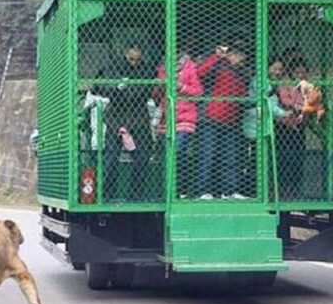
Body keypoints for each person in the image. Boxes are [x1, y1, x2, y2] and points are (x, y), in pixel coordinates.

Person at [95, 46, 153, 201]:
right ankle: (108, 194)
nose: (134, 63)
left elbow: (147, 90)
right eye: (131, 59)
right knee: (111, 157)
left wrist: (128, 89)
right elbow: (97, 86)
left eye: (138, 60)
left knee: (142, 156)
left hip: (138, 116)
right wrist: (116, 88)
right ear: (126, 54)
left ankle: (136, 195)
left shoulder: (146, 69)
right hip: (116, 116)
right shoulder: (112, 66)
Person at [196, 47, 248, 199]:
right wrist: (216, 56)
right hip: (211, 117)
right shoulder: (218, 66)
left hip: (231, 119)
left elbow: (242, 94)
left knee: (231, 157)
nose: (241, 60)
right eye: (239, 56)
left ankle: (230, 190)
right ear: (231, 55)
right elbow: (201, 73)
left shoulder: (241, 72)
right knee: (207, 155)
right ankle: (203, 190)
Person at [153, 52, 203, 198]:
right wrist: (159, 87)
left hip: (185, 117)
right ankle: (167, 190)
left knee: (178, 151)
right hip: (167, 117)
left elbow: (199, 92)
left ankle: (182, 188)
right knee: (165, 155)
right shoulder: (162, 69)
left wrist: (182, 87)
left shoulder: (190, 68)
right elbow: (156, 96)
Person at [242, 61, 291, 190]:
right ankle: (252, 189)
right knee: (255, 159)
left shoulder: (270, 82)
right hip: (255, 125)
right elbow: (266, 102)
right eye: (275, 69)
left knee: (261, 159)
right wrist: (283, 113)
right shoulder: (260, 80)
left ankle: (260, 189)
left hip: (263, 124)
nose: (278, 72)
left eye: (280, 70)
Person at [275, 57, 309, 200]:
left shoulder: (307, 86)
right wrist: (298, 106)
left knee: (298, 158)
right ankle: (283, 190)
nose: (300, 76)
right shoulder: (285, 83)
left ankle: (296, 190)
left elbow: (311, 99)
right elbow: (285, 100)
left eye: (303, 73)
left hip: (299, 125)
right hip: (284, 126)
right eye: (297, 72)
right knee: (285, 158)